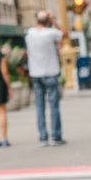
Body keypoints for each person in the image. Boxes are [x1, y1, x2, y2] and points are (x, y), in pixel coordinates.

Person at [26, 10, 65, 145]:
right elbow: (64, 34)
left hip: (35, 74)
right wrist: (54, 21)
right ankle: (56, 137)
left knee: (39, 107)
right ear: (48, 21)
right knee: (54, 106)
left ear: (36, 20)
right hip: (51, 73)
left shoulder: (29, 33)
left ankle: (43, 137)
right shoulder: (52, 33)